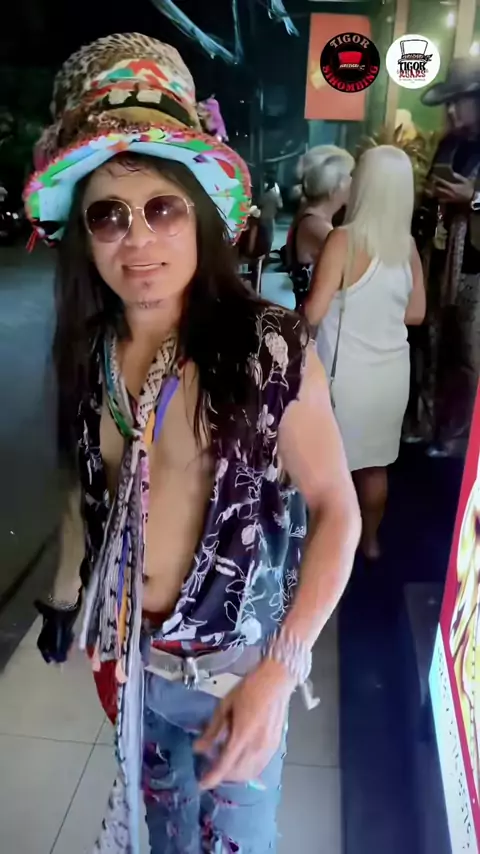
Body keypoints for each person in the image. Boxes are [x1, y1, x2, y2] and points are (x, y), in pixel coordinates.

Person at [28, 33, 361, 854]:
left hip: (236, 673)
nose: (138, 239)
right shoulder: (90, 352)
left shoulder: (267, 346)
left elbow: (336, 509)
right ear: (84, 236)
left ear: (201, 216)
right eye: (109, 215)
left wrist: (280, 673)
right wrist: (65, 603)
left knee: (235, 844)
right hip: (131, 664)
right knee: (163, 836)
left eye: (163, 207)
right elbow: (83, 491)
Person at [304, 146, 425, 559]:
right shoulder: (407, 246)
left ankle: (326, 553)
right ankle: (370, 543)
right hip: (391, 375)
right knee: (375, 467)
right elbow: (416, 313)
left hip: (345, 377)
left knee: (327, 467)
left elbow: (313, 312)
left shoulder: (342, 240)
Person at [412, 58, 480, 456]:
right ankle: (431, 426)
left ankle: (459, 437)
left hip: (475, 269)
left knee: (468, 356)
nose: (451, 111)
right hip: (438, 261)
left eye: (459, 102)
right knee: (433, 345)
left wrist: (472, 198)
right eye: (447, 103)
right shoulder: (449, 144)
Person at [287, 149, 354, 310]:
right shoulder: (316, 226)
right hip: (315, 321)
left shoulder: (311, 219)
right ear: (334, 188)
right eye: (351, 177)